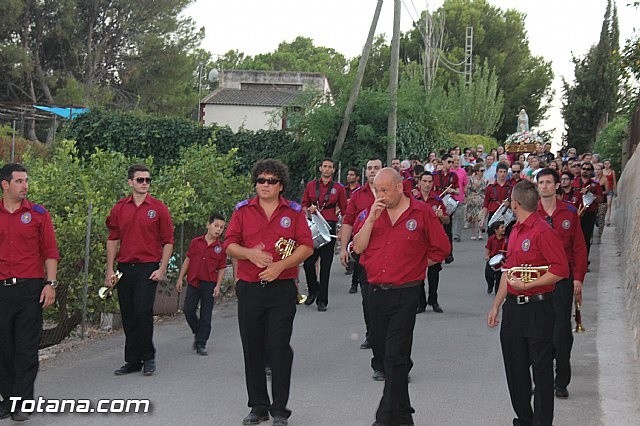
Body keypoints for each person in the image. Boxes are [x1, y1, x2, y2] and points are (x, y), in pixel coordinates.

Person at [353, 168, 450, 426]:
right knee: (385, 355)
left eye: (384, 190)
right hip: (375, 292)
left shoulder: (421, 213)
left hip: (405, 293)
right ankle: (404, 415)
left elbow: (442, 248)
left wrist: (417, 266)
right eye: (376, 190)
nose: (380, 195)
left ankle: (384, 417)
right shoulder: (371, 213)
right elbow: (358, 247)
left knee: (396, 355)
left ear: (399, 187)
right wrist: (371, 219)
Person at [225, 159, 313, 426]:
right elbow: (229, 243)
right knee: (252, 347)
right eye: (261, 180)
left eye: (271, 181)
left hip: (282, 288)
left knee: (278, 348)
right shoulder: (243, 211)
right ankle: (258, 407)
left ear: (281, 186)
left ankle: (279, 410)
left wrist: (280, 266)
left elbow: (306, 246)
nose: (265, 185)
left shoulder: (294, 212)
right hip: (250, 288)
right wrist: (249, 253)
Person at [487, 180, 569, 426]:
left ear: (515, 203)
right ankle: (524, 419)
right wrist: (496, 304)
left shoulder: (543, 231)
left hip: (538, 309)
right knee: (516, 371)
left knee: (542, 373)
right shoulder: (515, 231)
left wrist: (529, 285)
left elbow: (561, 269)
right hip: (513, 310)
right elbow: (508, 271)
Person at [0, 163, 59, 422]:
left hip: (30, 290)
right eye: (19, 181)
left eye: (26, 181)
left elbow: (50, 251)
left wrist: (51, 284)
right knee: (3, 349)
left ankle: (22, 402)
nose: (25, 185)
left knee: (25, 348)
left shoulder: (38, 214)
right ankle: (8, 399)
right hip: (2, 290)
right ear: (5, 184)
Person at [106, 164, 174, 377]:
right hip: (125, 267)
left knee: (143, 311)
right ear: (130, 182)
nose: (144, 183)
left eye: (147, 180)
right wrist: (110, 270)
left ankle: (149, 357)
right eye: (140, 180)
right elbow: (113, 239)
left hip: (148, 267)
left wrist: (162, 268)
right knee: (128, 313)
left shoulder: (159, 208)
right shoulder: (120, 208)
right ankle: (133, 360)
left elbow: (168, 241)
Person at [536, 168, 588, 399]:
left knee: (561, 332)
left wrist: (578, 277)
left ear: (557, 185)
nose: (544, 186)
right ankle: (542, 380)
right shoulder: (531, 213)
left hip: (563, 280)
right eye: (541, 182)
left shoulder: (569, 213)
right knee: (539, 332)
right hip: (538, 279)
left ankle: (561, 380)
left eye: (548, 182)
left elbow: (579, 247)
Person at [176, 213, 227, 356]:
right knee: (188, 310)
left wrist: (218, 285)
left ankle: (201, 343)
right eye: (216, 226)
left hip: (209, 283)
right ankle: (198, 332)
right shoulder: (196, 242)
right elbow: (188, 259)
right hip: (194, 281)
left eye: (221, 227)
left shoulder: (221, 248)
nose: (218, 230)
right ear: (208, 225)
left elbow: (222, 267)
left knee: (206, 314)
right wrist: (180, 277)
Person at [301, 158, 347, 311]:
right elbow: (304, 204)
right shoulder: (311, 185)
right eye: (324, 166)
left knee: (325, 266)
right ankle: (314, 290)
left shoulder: (339, 188)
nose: (327, 169)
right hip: (314, 226)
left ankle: (323, 300)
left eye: (330, 167)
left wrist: (341, 231)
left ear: (333, 170)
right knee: (308, 262)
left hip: (329, 227)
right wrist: (308, 210)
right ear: (320, 168)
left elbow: (345, 211)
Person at [414, 171, 450, 313]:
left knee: (434, 272)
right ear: (420, 182)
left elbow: (447, 220)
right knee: (418, 270)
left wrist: (441, 217)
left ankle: (433, 300)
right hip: (418, 240)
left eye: (430, 182)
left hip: (434, 240)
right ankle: (420, 302)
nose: (427, 184)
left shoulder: (437, 200)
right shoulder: (414, 199)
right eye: (424, 181)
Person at [572, 162, 603, 257]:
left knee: (586, 238)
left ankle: (584, 261)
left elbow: (601, 199)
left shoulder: (595, 185)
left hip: (589, 214)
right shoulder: (574, 182)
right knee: (573, 238)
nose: (585, 170)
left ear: (591, 172)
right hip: (574, 213)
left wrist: (590, 193)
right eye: (583, 168)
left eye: (588, 169)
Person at [432, 153, 459, 263]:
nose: (451, 164)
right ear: (442, 162)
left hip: (447, 204)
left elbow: (458, 191)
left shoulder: (454, 176)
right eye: (449, 162)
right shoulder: (435, 175)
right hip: (437, 202)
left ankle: (449, 253)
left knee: (448, 230)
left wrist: (452, 191)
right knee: (435, 229)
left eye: (452, 162)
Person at [482, 162, 512, 237]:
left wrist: (509, 204)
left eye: (505, 172)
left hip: (506, 215)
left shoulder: (511, 188)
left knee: (506, 240)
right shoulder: (490, 187)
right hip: (493, 215)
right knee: (492, 240)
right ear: (497, 173)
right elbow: (486, 203)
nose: (502, 174)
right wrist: (483, 219)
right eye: (500, 172)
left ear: (507, 173)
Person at [484, 221, 506, 294]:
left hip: (502, 260)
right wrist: (487, 256)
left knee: (499, 277)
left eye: (504, 227)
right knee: (488, 274)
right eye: (502, 227)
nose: (504, 229)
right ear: (496, 230)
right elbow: (488, 248)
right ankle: (490, 286)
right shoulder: (491, 239)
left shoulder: (506, 239)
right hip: (492, 259)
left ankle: (497, 292)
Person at [466, 163, 487, 240]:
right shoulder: (471, 180)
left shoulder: (484, 180)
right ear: (477, 171)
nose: (482, 172)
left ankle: (480, 233)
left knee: (481, 216)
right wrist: (468, 198)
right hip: (472, 200)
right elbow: (467, 190)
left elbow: (486, 190)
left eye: (483, 171)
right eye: (481, 170)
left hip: (481, 200)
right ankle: (473, 233)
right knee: (473, 218)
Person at [451, 155, 468, 242]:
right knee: (450, 217)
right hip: (450, 198)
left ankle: (457, 235)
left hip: (459, 197)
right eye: (454, 160)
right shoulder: (449, 171)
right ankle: (450, 233)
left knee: (458, 217)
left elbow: (465, 184)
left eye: (458, 160)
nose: (456, 162)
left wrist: (465, 195)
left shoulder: (462, 172)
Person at [593, 163, 610, 245]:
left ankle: (600, 236)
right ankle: (591, 236)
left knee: (601, 219)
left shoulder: (605, 179)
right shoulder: (592, 179)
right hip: (593, 202)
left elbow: (607, 191)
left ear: (601, 170)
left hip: (602, 202)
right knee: (592, 219)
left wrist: (599, 193)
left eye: (599, 169)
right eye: (595, 169)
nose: (597, 171)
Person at [602, 159, 617, 226]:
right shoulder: (601, 171)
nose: (607, 165)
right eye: (605, 163)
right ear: (604, 164)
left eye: (608, 163)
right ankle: (601, 219)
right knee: (602, 205)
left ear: (610, 164)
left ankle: (607, 220)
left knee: (609, 204)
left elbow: (614, 182)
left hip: (610, 189)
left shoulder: (612, 172)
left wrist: (615, 190)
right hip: (603, 190)